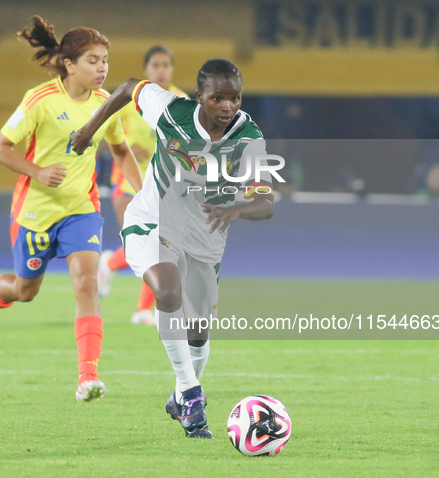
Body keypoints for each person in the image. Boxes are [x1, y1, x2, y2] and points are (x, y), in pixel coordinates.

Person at [71, 59, 275, 437]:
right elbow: (128, 87)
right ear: (199, 98)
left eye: (235, 98)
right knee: (168, 290)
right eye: (218, 98)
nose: (228, 107)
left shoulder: (249, 137)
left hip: (204, 241)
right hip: (150, 221)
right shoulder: (171, 109)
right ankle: (193, 397)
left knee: (198, 331)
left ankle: (181, 394)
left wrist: (237, 209)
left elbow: (266, 201)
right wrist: (87, 131)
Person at [0, 16, 142, 402]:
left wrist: (143, 193)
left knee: (86, 281)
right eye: (93, 61)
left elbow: (119, 150)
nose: (102, 68)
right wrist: (38, 171)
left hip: (82, 209)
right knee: (26, 291)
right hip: (36, 210)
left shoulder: (105, 105)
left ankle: (87, 377)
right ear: (70, 64)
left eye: (105, 60)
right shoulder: (39, 100)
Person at [100, 46, 189, 326]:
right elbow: (101, 131)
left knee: (160, 246)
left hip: (164, 184)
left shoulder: (181, 101)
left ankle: (140, 307)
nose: (161, 70)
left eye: (166, 64)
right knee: (144, 244)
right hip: (127, 182)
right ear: (146, 70)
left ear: (172, 69)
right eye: (155, 65)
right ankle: (112, 266)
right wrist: (125, 146)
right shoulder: (131, 99)